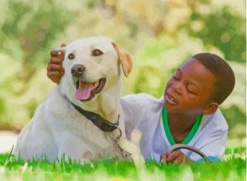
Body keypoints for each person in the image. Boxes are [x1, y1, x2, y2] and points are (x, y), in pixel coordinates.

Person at [47, 50, 235, 164]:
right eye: (176, 77)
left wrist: (189, 163)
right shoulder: (141, 108)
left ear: (209, 108)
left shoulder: (216, 125)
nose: (176, 87)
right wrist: (67, 83)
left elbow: (210, 163)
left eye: (190, 89)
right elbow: (96, 109)